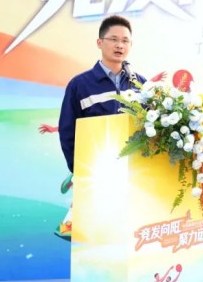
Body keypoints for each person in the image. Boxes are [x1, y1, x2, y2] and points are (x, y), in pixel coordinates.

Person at [59, 14, 146, 174]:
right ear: (99, 43)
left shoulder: (141, 84)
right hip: (95, 172)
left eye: (125, 41)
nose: (119, 45)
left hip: (136, 173)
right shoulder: (79, 85)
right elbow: (67, 131)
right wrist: (79, 169)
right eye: (113, 39)